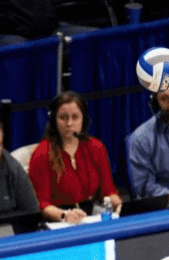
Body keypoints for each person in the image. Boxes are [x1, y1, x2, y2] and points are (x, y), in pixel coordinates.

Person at [28, 91, 121, 224]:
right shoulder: (42, 153)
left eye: (75, 117)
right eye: (63, 117)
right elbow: (41, 204)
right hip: (58, 220)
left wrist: (116, 202)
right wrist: (64, 215)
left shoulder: (96, 147)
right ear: (54, 119)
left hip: (90, 217)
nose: (69, 123)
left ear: (84, 119)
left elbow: (108, 190)